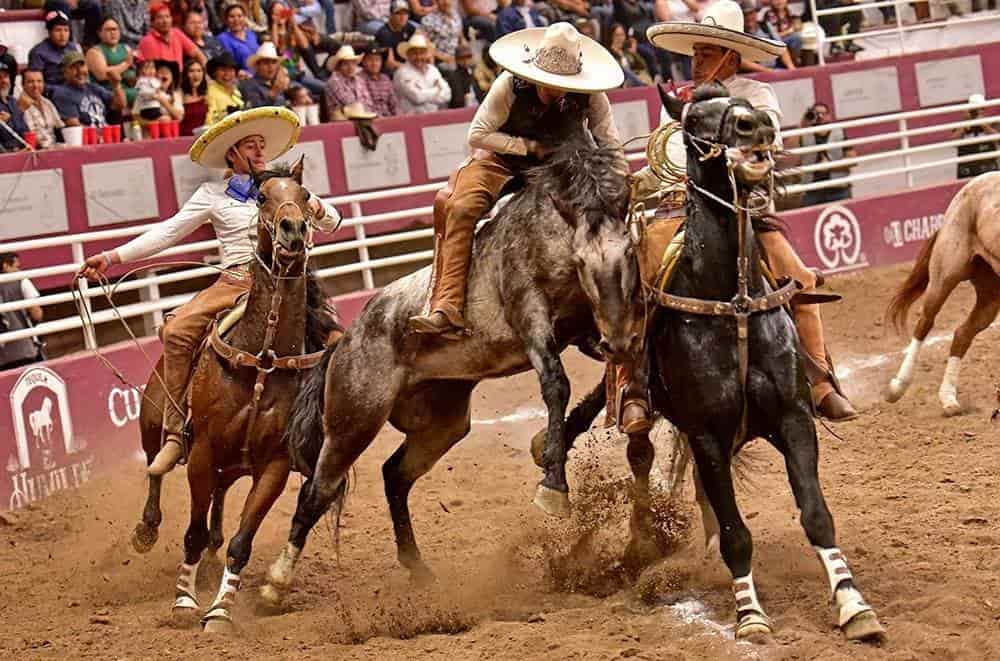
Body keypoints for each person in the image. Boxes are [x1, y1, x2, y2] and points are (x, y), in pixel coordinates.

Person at [78, 107, 341, 475]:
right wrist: (112, 256)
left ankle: (330, 424)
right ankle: (174, 433)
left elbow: (333, 222)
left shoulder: (286, 189)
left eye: (262, 145)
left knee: (337, 338)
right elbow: (168, 232)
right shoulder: (212, 194)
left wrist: (310, 200)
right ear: (232, 153)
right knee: (177, 331)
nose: (260, 151)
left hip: (291, 285)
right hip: (236, 283)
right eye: (251, 145)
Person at [639, 0, 858, 421]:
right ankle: (637, 387)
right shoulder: (681, 101)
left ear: (730, 57)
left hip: (748, 216)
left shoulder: (757, 95)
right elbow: (665, 156)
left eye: (706, 54)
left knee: (801, 281)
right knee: (638, 290)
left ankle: (820, 381)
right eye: (696, 54)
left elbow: (766, 137)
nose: (697, 62)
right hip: (684, 215)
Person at [407, 23, 625, 335]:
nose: (553, 89)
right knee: (457, 205)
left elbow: (609, 142)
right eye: (547, 82)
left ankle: (617, 300)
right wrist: (524, 146)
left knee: (604, 210)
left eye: (561, 83)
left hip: (563, 166)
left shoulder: (593, 96)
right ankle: (447, 303)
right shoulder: (509, 85)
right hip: (501, 162)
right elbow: (478, 134)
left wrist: (619, 179)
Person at [799, 102, 855, 206]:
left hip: (838, 189)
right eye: (816, 114)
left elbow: (853, 160)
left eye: (823, 113)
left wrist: (830, 166)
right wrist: (802, 125)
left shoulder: (839, 132)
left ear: (829, 116)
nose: (820, 117)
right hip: (812, 191)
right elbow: (788, 156)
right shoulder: (804, 135)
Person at [51, 51, 128, 127]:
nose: (80, 71)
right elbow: (74, 125)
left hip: (105, 134)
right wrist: (98, 135)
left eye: (82, 65)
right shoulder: (62, 93)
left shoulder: (93, 88)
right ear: (65, 73)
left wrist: (116, 85)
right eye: (73, 67)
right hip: (87, 138)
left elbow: (120, 105)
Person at [0, 252, 45, 371]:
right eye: (16, 266)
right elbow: (37, 315)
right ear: (5, 266)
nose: (19, 270)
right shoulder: (22, 281)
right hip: (25, 350)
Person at [138, 2, 208, 75]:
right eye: (160, 17)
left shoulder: (177, 33)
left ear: (171, 19)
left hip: (179, 80)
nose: (165, 21)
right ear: (152, 22)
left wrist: (209, 74)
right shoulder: (147, 41)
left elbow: (198, 54)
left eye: (167, 16)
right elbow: (151, 73)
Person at [393, 34, 451, 115]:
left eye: (422, 53)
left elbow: (447, 94)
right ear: (408, 55)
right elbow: (417, 97)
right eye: (415, 53)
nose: (419, 57)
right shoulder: (402, 73)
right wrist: (437, 89)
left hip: (434, 116)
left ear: (426, 54)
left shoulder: (433, 70)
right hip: (411, 120)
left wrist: (425, 94)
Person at [87, 18, 139, 108]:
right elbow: (102, 74)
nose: (113, 33)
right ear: (99, 33)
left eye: (115, 29)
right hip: (108, 91)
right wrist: (125, 64)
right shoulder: (94, 51)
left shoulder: (126, 48)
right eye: (108, 30)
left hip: (129, 87)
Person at [28, 11, 82, 87]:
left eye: (66, 30)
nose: (63, 35)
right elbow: (36, 84)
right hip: (54, 91)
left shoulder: (74, 47)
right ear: (49, 32)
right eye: (58, 30)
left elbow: (83, 73)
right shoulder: (38, 52)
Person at [324, 45, 376, 120]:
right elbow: (348, 102)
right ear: (338, 66)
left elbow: (369, 102)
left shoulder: (359, 80)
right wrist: (362, 105)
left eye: (353, 63)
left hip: (361, 116)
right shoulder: (334, 81)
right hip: (341, 120)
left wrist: (364, 107)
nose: (350, 67)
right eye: (346, 64)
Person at [954, 93, 999, 179]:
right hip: (967, 169)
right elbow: (952, 142)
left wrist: (985, 126)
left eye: (982, 108)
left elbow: (997, 140)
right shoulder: (962, 124)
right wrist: (964, 125)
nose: (979, 111)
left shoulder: (992, 122)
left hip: (989, 168)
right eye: (974, 110)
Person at [740, 0, 795, 70]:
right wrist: (766, 71)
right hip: (754, 73)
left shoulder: (765, 26)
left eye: (751, 13)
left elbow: (782, 47)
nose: (748, 17)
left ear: (756, 13)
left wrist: (791, 67)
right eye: (745, 14)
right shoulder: (740, 32)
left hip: (775, 68)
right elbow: (741, 61)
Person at [18, 69, 65, 149]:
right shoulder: (19, 105)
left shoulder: (47, 103)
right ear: (23, 85)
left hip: (54, 148)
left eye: (39, 81)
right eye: (30, 82)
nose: (35, 85)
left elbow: (59, 128)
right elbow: (24, 135)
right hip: (35, 151)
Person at [240, 42, 291, 108]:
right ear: (257, 66)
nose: (271, 67)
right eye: (266, 63)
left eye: (273, 62)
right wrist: (273, 94)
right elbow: (256, 112)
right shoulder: (249, 85)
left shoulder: (276, 83)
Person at [217, 2, 261, 73]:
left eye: (240, 16)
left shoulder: (251, 34)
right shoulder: (223, 38)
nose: (236, 20)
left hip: (260, 72)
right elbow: (230, 64)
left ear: (244, 18)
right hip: (243, 77)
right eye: (232, 16)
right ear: (226, 20)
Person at [375, 0, 417, 72]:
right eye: (398, 14)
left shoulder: (408, 26)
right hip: (391, 72)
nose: (403, 17)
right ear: (391, 15)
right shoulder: (385, 34)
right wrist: (412, 69)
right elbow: (390, 64)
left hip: (407, 65)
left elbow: (422, 39)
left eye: (405, 14)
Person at [605, 22, 651, 86]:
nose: (620, 38)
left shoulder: (627, 52)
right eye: (617, 35)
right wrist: (616, 54)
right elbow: (616, 70)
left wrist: (634, 53)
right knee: (624, 70)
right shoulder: (607, 53)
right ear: (611, 37)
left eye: (622, 35)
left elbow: (643, 66)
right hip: (620, 81)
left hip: (632, 81)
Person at [421, 0, 463, 70]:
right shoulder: (428, 20)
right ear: (436, 2)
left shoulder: (456, 15)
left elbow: (460, 35)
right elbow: (424, 43)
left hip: (457, 56)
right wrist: (443, 57)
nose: (446, 2)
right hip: (441, 59)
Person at [205, 51, 244, 125]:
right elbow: (209, 122)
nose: (227, 74)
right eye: (223, 70)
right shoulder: (210, 93)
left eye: (231, 70)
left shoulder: (236, 92)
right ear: (214, 72)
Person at [360, 46, 399, 117]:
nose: (374, 63)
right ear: (363, 62)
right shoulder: (358, 79)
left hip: (389, 118)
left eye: (377, 60)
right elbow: (364, 106)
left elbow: (394, 103)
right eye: (370, 59)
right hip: (370, 119)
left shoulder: (385, 78)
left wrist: (398, 118)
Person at [0, 60, 27, 152]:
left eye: (6, 77)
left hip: (23, 151)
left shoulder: (13, 101)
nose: (3, 81)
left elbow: (24, 131)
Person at [442, 42, 475, 108]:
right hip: (460, 110)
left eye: (468, 57)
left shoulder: (475, 71)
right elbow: (458, 100)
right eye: (462, 58)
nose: (465, 61)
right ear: (457, 60)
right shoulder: (453, 76)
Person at [180, 59, 208, 134]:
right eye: (191, 71)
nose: (196, 74)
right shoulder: (179, 94)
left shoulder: (208, 94)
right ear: (185, 74)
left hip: (203, 139)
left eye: (199, 71)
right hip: (184, 139)